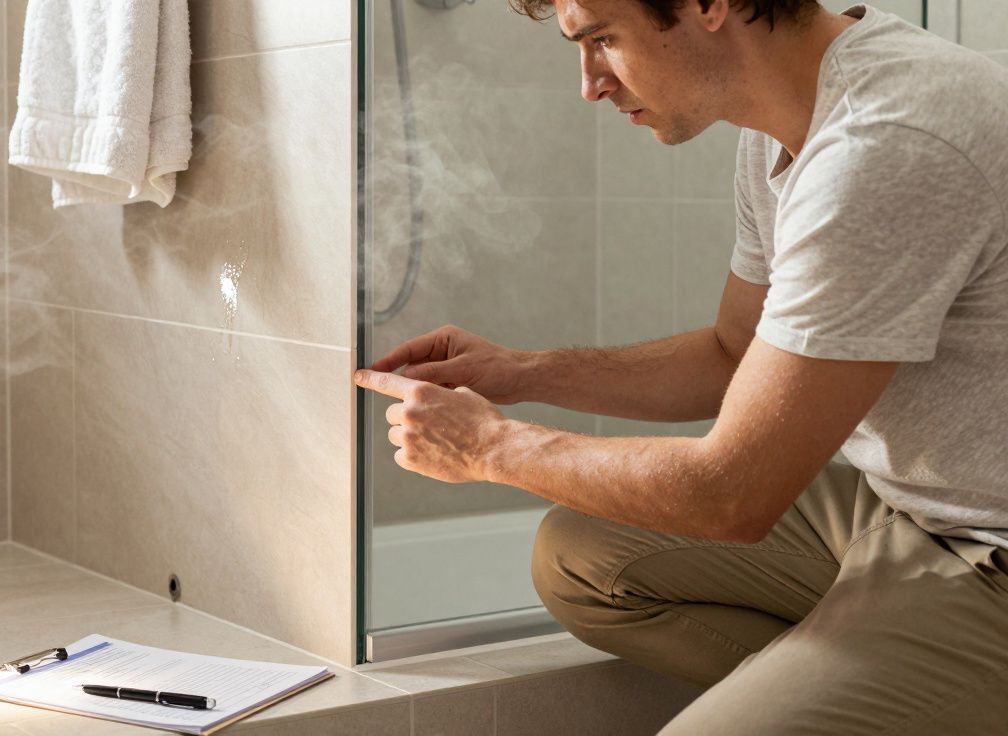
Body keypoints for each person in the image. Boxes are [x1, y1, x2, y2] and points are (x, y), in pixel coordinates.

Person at [352, 1, 1008, 733]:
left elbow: (732, 496)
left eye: (602, 39)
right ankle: (883, 686)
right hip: (910, 508)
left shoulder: (884, 142)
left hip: (994, 551)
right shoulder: (782, 128)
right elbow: (734, 351)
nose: (589, 83)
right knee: (578, 561)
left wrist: (489, 447)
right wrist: (524, 370)